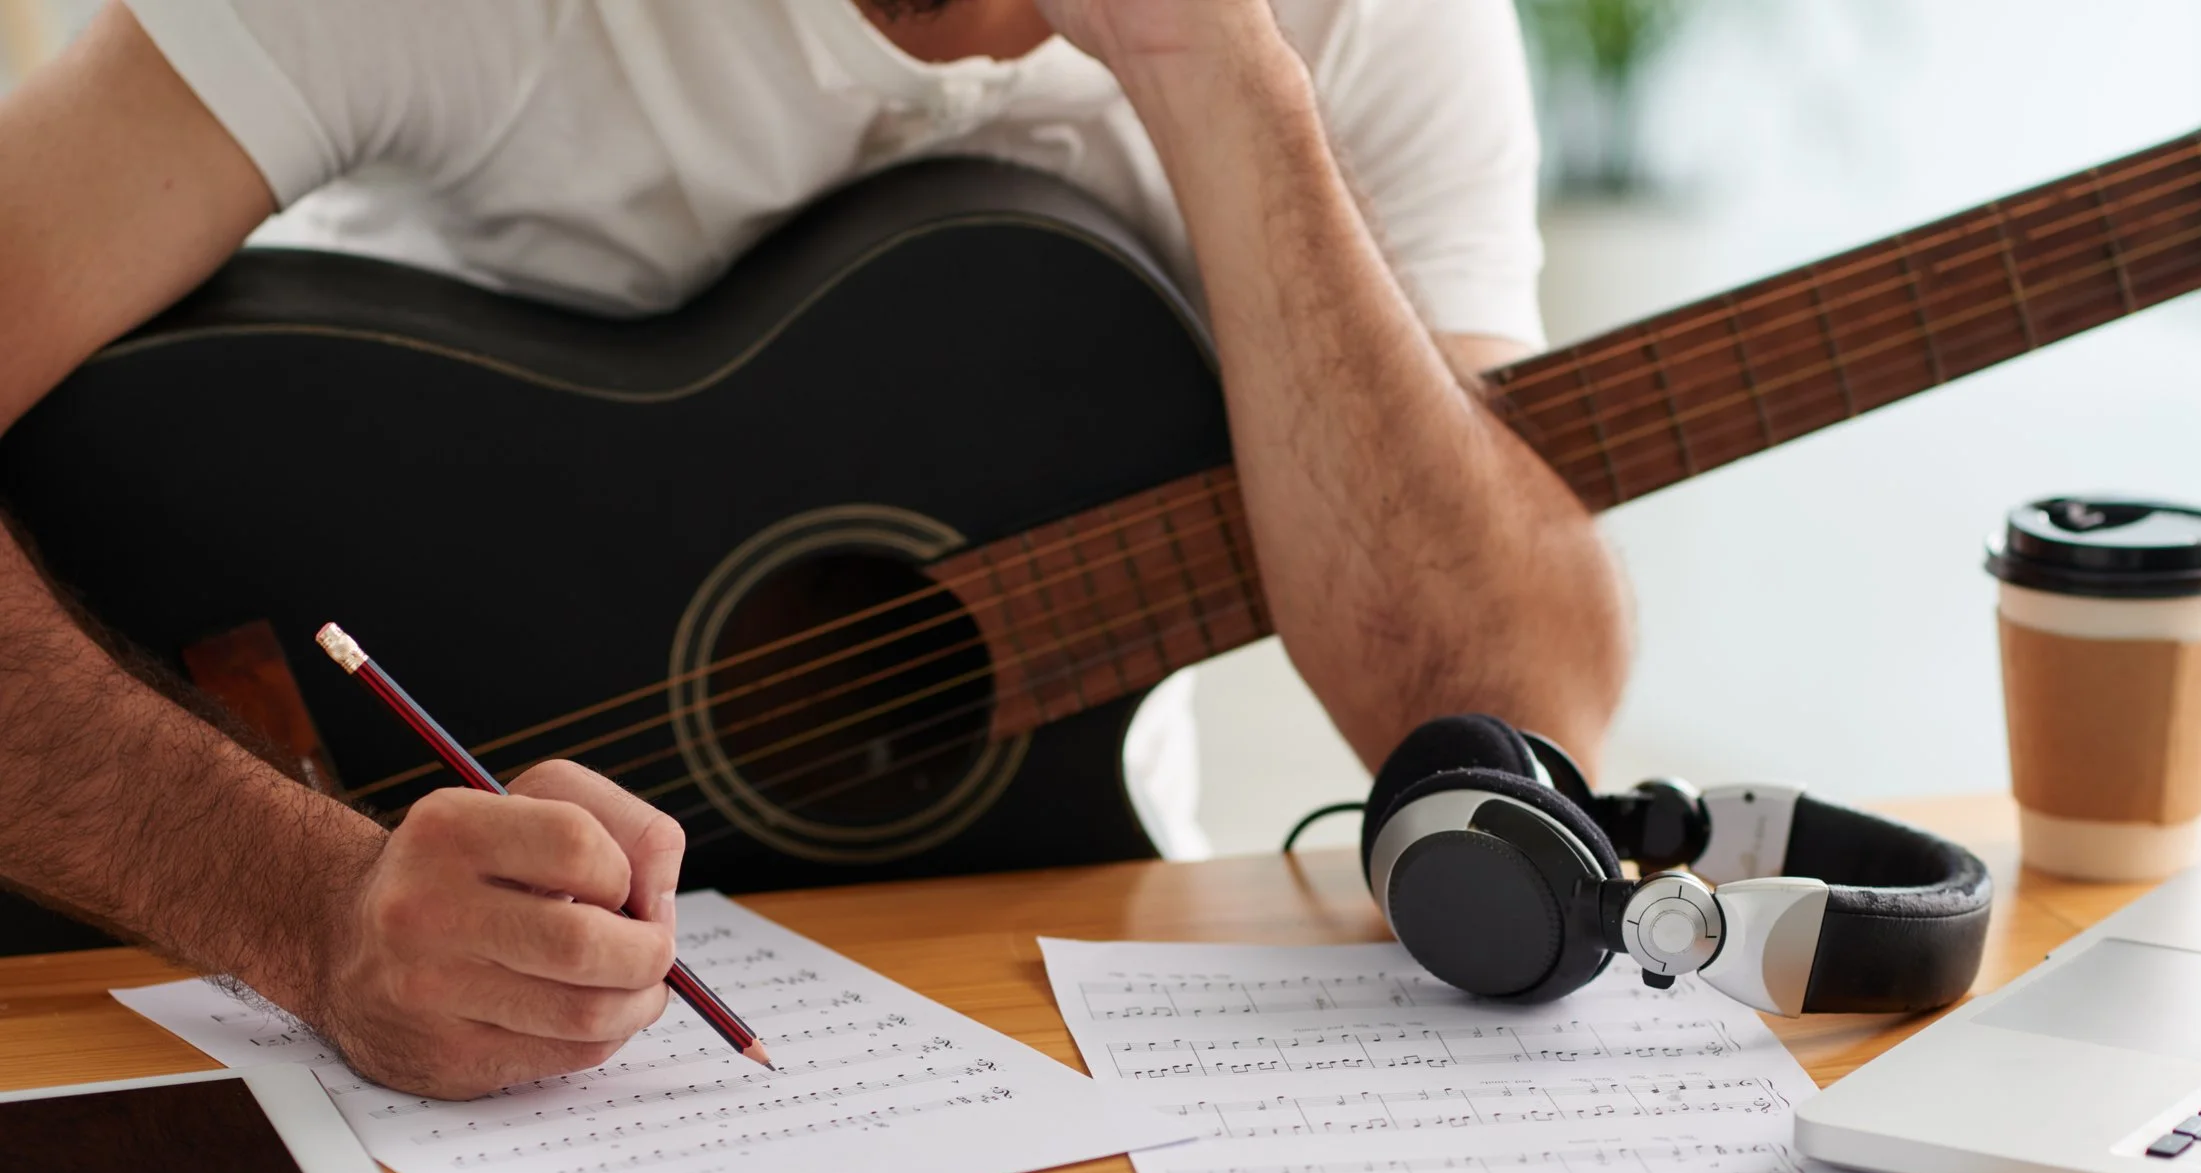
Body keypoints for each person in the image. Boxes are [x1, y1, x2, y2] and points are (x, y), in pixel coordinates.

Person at [0, 0, 1630, 1098]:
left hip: (1034, 1031)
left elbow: (1510, 717)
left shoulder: (1382, 27)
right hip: (339, 1033)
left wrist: (1219, 71)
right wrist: (302, 901)